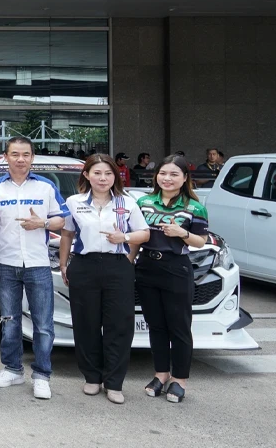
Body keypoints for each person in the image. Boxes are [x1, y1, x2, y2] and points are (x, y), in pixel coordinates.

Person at [58, 154, 150, 405]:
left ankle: (114, 382)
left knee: (119, 325)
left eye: (108, 173)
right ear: (87, 175)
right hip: (84, 266)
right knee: (86, 323)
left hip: (117, 267)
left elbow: (144, 233)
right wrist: (64, 264)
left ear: (115, 176)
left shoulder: (127, 203)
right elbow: (67, 234)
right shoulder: (74, 202)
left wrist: (125, 240)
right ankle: (91, 377)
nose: (103, 178)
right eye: (97, 173)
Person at [0, 137, 68, 400]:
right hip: (6, 263)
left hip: (38, 264)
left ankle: (42, 375)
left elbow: (61, 220)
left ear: (32, 158)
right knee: (9, 320)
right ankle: (12, 369)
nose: (21, 159)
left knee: (43, 324)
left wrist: (42, 223)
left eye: (26, 155)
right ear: (5, 157)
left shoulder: (46, 186)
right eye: (15, 154)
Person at [131, 154, 208, 404]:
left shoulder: (194, 207)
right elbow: (137, 236)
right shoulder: (143, 202)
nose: (167, 178)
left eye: (174, 174)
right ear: (156, 176)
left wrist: (182, 232)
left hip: (176, 268)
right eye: (163, 173)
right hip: (146, 267)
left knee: (179, 326)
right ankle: (161, 374)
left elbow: (201, 241)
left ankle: (179, 379)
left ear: (185, 178)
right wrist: (128, 261)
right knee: (156, 324)